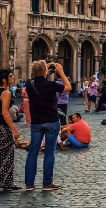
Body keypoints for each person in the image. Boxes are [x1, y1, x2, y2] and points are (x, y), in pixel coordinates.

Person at [24, 60, 71, 191]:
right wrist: (61, 72)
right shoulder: (51, 85)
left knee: (33, 152)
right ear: (45, 72)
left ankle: (29, 184)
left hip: (36, 122)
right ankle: (47, 183)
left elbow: (35, 79)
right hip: (51, 120)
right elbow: (68, 88)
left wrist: (44, 71)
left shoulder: (29, 84)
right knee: (49, 153)